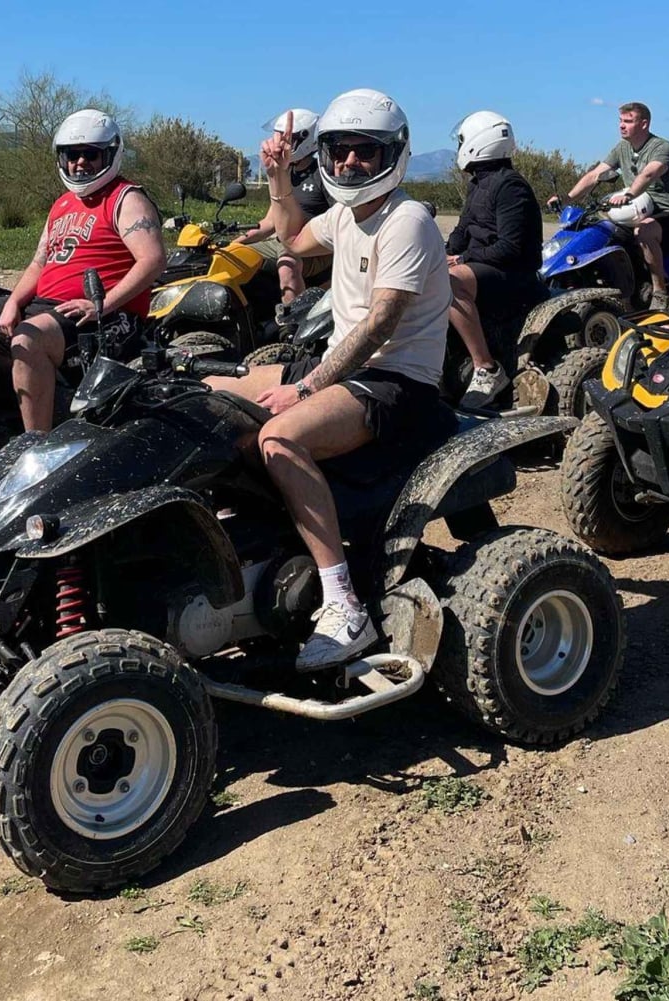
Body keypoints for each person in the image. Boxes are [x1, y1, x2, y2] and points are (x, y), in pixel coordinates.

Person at [206, 90, 451, 670]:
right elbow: (289, 240)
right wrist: (278, 177)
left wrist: (306, 387)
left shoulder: (407, 220)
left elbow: (379, 323)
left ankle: (343, 605)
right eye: (339, 150)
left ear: (394, 154)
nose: (348, 163)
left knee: (278, 436)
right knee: (205, 396)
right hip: (344, 367)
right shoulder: (344, 215)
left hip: (395, 382)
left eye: (365, 151)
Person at [0, 109, 165, 432]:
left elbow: (152, 260)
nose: (80, 163)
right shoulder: (62, 204)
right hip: (50, 307)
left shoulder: (126, 199)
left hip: (105, 316)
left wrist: (103, 304)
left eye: (90, 155)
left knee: (27, 340)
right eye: (72, 155)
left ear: (110, 155)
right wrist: (13, 302)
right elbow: (39, 263)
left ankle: (36, 444)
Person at [445, 111, 544, 409]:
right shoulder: (478, 184)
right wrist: (441, 252)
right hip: (484, 268)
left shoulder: (511, 186)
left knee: (450, 282)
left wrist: (462, 258)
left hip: (514, 275)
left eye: (463, 140)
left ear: (479, 141)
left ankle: (487, 369)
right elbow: (463, 230)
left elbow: (510, 248)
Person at [551, 102, 669, 311]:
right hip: (638, 207)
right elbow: (595, 175)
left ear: (644, 124)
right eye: (620, 121)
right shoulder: (622, 148)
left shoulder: (661, 147)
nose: (622, 126)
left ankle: (660, 292)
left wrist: (629, 193)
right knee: (599, 227)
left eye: (628, 121)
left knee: (643, 231)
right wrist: (566, 199)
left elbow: (649, 173)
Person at [236, 109, 333, 304]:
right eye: (278, 137)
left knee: (287, 265)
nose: (279, 143)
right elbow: (269, 223)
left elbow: (338, 222)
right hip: (281, 242)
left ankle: (293, 325)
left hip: (313, 246)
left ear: (305, 139)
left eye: (287, 138)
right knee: (235, 258)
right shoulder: (284, 173)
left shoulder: (323, 174)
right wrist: (233, 245)